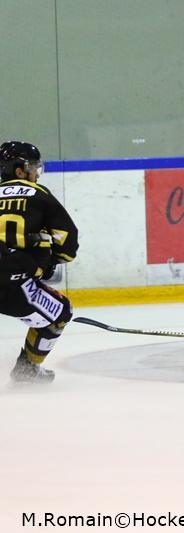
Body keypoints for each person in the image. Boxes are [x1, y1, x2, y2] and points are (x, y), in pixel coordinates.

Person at [0, 141, 79, 384]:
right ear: (19, 170)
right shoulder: (39, 194)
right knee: (62, 312)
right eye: (33, 167)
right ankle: (27, 371)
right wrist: (48, 262)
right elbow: (67, 241)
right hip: (13, 287)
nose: (36, 172)